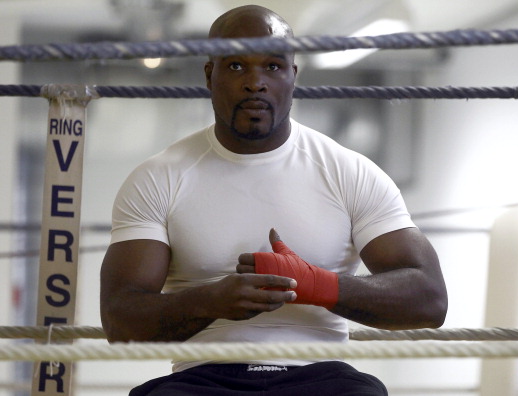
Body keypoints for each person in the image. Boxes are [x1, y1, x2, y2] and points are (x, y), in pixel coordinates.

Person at [100, 4, 448, 395]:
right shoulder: (158, 178)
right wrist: (212, 300)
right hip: (203, 379)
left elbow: (430, 298)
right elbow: (120, 321)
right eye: (236, 66)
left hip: (319, 377)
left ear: (293, 76)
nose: (255, 82)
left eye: (273, 66)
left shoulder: (349, 172)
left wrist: (321, 285)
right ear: (209, 73)